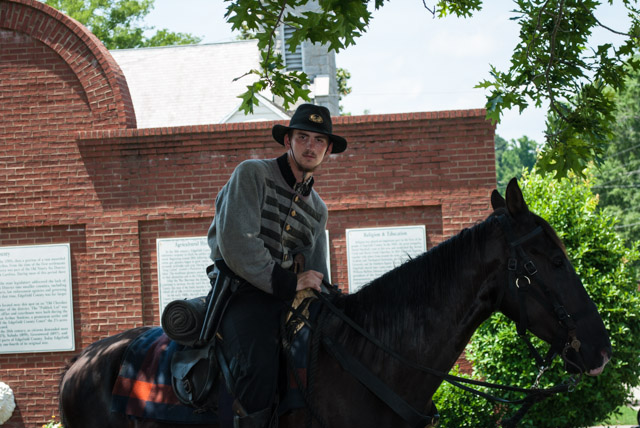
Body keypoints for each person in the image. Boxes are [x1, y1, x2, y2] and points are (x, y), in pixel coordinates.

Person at [207, 103, 347, 428]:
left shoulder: (319, 209)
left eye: (319, 141)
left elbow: (315, 269)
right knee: (258, 365)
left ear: (327, 150)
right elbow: (237, 244)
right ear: (288, 142)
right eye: (303, 137)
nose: (310, 146)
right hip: (239, 290)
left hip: (286, 296)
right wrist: (291, 282)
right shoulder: (252, 173)